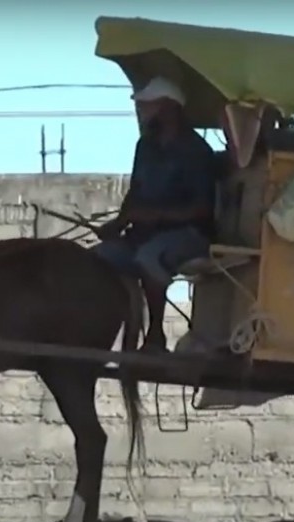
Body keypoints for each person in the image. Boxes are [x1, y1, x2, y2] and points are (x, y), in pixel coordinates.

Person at [93, 76, 216, 351]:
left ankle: (156, 336)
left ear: (170, 109)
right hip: (143, 235)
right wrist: (118, 223)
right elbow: (134, 193)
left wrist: (156, 215)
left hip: (189, 236)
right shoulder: (144, 146)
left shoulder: (196, 151)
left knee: (149, 257)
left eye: (149, 106)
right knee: (99, 257)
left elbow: (202, 208)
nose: (142, 112)